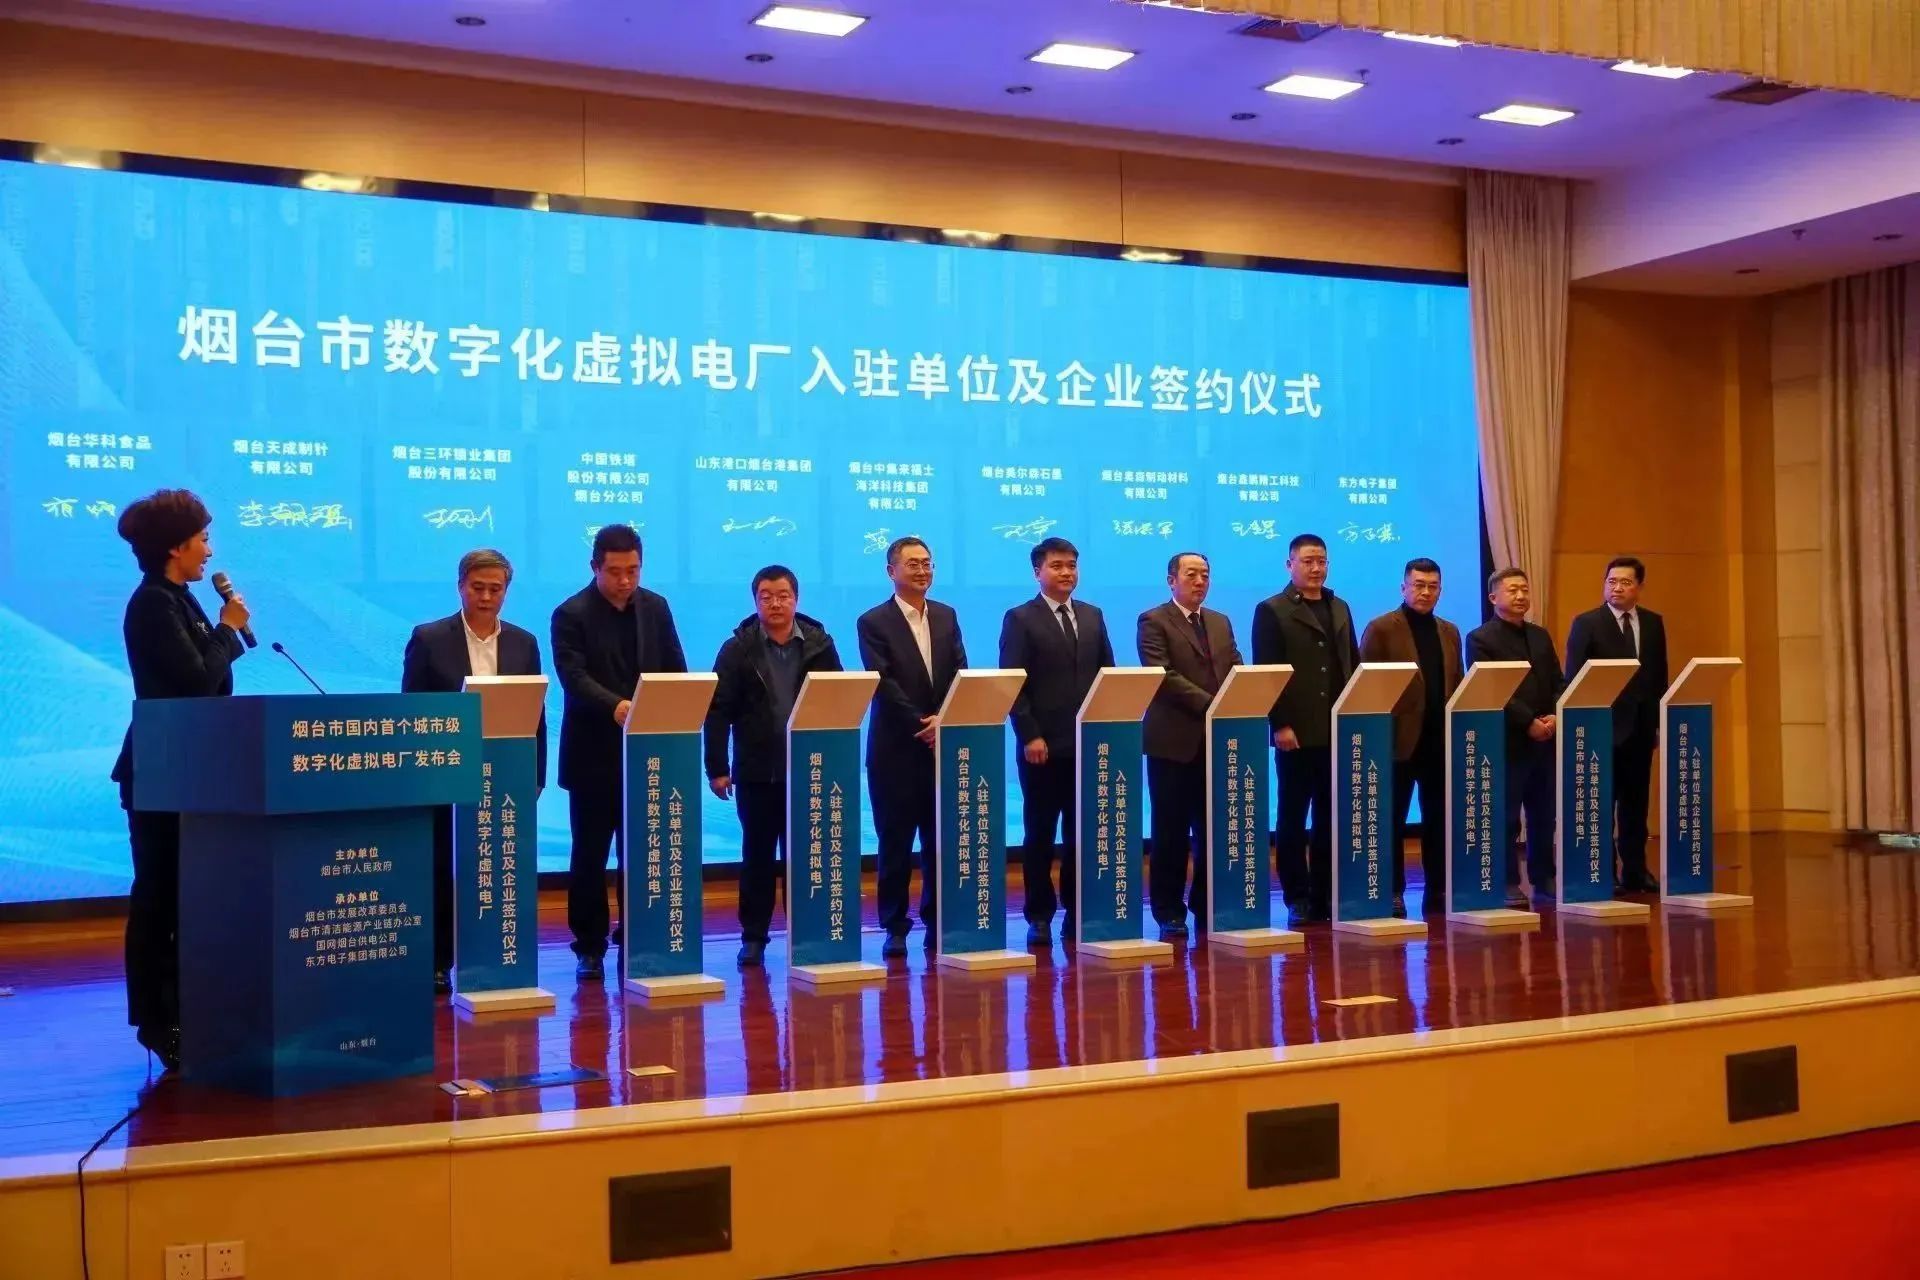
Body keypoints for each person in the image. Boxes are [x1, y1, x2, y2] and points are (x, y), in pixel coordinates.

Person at [111, 489, 251, 1071]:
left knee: (187, 899)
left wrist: (223, 635)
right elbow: (195, 682)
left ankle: (190, 1011)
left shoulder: (180, 599)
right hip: (161, 771)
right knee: (159, 898)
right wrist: (227, 629)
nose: (209, 552)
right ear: (175, 546)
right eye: (202, 540)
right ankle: (157, 1021)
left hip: (192, 770)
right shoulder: (153, 604)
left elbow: (210, 683)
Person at [401, 548, 546, 994]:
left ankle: (496, 953)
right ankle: (438, 960)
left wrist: (536, 775)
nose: (485, 597)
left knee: (499, 867)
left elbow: (536, 713)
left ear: (506, 591)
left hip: (506, 777)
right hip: (446, 776)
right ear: (460, 586)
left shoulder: (523, 642)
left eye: (494, 589)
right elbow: (412, 713)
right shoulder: (429, 638)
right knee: (444, 867)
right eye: (477, 587)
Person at [551, 524, 687, 979]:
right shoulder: (570, 613)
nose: (626, 580)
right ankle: (589, 946)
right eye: (615, 572)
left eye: (633, 570)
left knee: (643, 851)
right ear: (595, 567)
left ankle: (638, 933)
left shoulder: (656, 607)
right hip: (593, 755)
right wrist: (616, 705)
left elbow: (675, 667)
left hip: (647, 755)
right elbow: (573, 677)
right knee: (590, 855)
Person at [704, 565, 845, 967]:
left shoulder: (820, 645)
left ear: (796, 599)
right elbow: (717, 711)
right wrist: (717, 767)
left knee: (807, 858)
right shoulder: (737, 649)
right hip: (756, 773)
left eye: (783, 595)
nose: (775, 603)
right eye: (766, 596)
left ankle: (809, 934)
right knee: (758, 858)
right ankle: (754, 937)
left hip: (809, 772)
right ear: (755, 601)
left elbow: (839, 701)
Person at [999, 537, 1114, 948]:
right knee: (1040, 835)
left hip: (1085, 746)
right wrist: (1030, 734)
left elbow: (1107, 675)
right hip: (1041, 748)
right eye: (1057, 566)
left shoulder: (1092, 615)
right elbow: (1013, 684)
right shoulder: (1020, 618)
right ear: (1038, 572)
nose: (1067, 573)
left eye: (1071, 565)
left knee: (1081, 835)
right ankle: (1039, 915)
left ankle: (1077, 911)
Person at [857, 536, 966, 958]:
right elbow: (882, 681)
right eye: (913, 564)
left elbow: (960, 670)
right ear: (892, 571)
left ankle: (938, 921)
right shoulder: (873, 621)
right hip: (895, 751)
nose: (922, 570)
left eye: (927, 563)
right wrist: (923, 723)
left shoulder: (946, 615)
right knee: (895, 843)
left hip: (942, 746)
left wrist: (946, 718)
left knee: (940, 841)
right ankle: (895, 925)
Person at [1251, 533, 1360, 925]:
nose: (1316, 568)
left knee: (1332, 816)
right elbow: (1267, 673)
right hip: (1295, 732)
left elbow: (1352, 664)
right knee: (1293, 817)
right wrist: (1279, 723)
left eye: (1321, 561)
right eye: (1308, 561)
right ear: (1290, 565)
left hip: (1336, 729)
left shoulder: (1340, 606)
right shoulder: (1272, 609)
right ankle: (1296, 895)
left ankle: (1325, 892)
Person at [1138, 551, 1241, 938]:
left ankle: (1207, 904)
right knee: (1171, 832)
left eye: (1205, 575)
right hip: (1173, 744)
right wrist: (1214, 703)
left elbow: (1234, 664)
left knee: (1214, 830)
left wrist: (1242, 694)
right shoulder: (1153, 620)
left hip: (1216, 742)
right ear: (1172, 580)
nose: (1200, 582)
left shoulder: (1220, 621)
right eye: (1191, 574)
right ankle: (1168, 910)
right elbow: (1162, 675)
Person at [1358, 558, 1463, 917]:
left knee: (1439, 820)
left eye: (1433, 586)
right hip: (1395, 742)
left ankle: (1439, 888)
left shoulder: (1449, 631)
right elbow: (1366, 686)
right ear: (1403, 587)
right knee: (1392, 820)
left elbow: (1457, 681)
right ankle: (1392, 890)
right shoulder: (1382, 628)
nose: (1425, 592)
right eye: (1418, 585)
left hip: (1439, 740)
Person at [1564, 556, 1669, 895]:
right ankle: (1603, 871)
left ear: (1639, 586)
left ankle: (1636, 870)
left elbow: (1659, 676)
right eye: (1611, 581)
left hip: (1641, 729)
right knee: (1602, 804)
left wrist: (1657, 724)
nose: (1617, 588)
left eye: (1625, 582)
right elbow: (1574, 678)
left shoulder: (1652, 623)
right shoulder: (1587, 623)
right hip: (1602, 729)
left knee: (1636, 805)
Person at [1465, 568, 1564, 905]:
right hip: (1506, 741)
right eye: (1512, 590)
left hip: (1545, 738)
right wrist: (1527, 722)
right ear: (1493, 597)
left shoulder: (1540, 636)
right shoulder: (1480, 639)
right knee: (1506, 817)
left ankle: (1544, 877)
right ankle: (1507, 881)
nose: (1521, 596)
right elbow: (1493, 689)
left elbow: (1557, 680)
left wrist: (1555, 714)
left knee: (1544, 814)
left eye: (1524, 589)